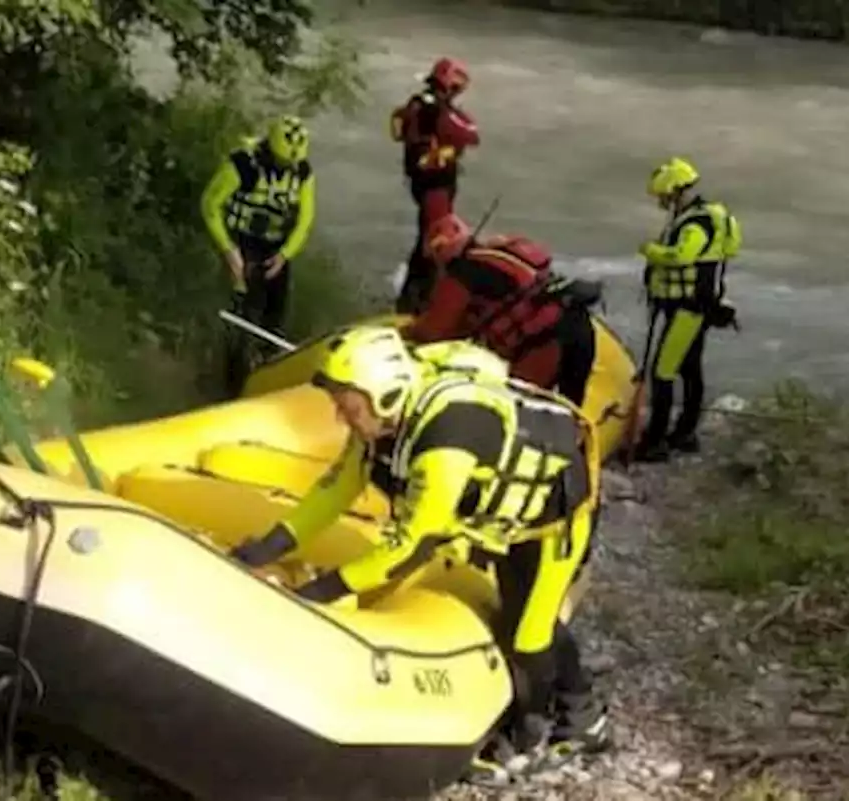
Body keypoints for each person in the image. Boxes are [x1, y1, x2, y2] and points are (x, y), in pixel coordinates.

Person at [228, 326, 611, 783]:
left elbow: (410, 545)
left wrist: (320, 591)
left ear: (382, 395)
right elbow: (334, 492)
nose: (339, 417)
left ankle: (549, 728)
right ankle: (571, 710)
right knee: (516, 616)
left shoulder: (447, 442)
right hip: (505, 520)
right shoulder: (380, 422)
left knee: (530, 635)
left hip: (553, 523)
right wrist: (269, 546)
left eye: (346, 406)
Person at [401, 213, 603, 410]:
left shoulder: (461, 274)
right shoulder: (495, 260)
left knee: (521, 408)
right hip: (579, 328)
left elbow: (431, 334)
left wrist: (403, 332)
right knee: (570, 412)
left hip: (544, 340)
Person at [630, 157, 742, 463]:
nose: (662, 203)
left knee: (663, 372)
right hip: (696, 306)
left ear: (676, 191)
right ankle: (685, 433)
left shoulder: (695, 224)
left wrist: (650, 250)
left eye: (664, 197)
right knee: (690, 368)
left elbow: (681, 256)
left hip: (688, 308)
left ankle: (655, 441)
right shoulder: (700, 216)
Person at [201, 115, 317, 389]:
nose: (288, 168)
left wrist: (286, 254)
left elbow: (305, 217)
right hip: (241, 243)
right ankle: (232, 381)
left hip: (275, 248)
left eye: (292, 163)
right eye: (282, 162)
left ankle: (269, 370)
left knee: (274, 317)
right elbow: (209, 205)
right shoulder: (242, 166)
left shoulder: (302, 171)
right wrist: (229, 252)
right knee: (241, 319)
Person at [389, 57, 480, 314]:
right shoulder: (436, 111)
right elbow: (471, 134)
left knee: (428, 238)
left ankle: (415, 297)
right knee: (435, 241)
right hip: (434, 184)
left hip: (425, 182)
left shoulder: (420, 105)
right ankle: (418, 301)